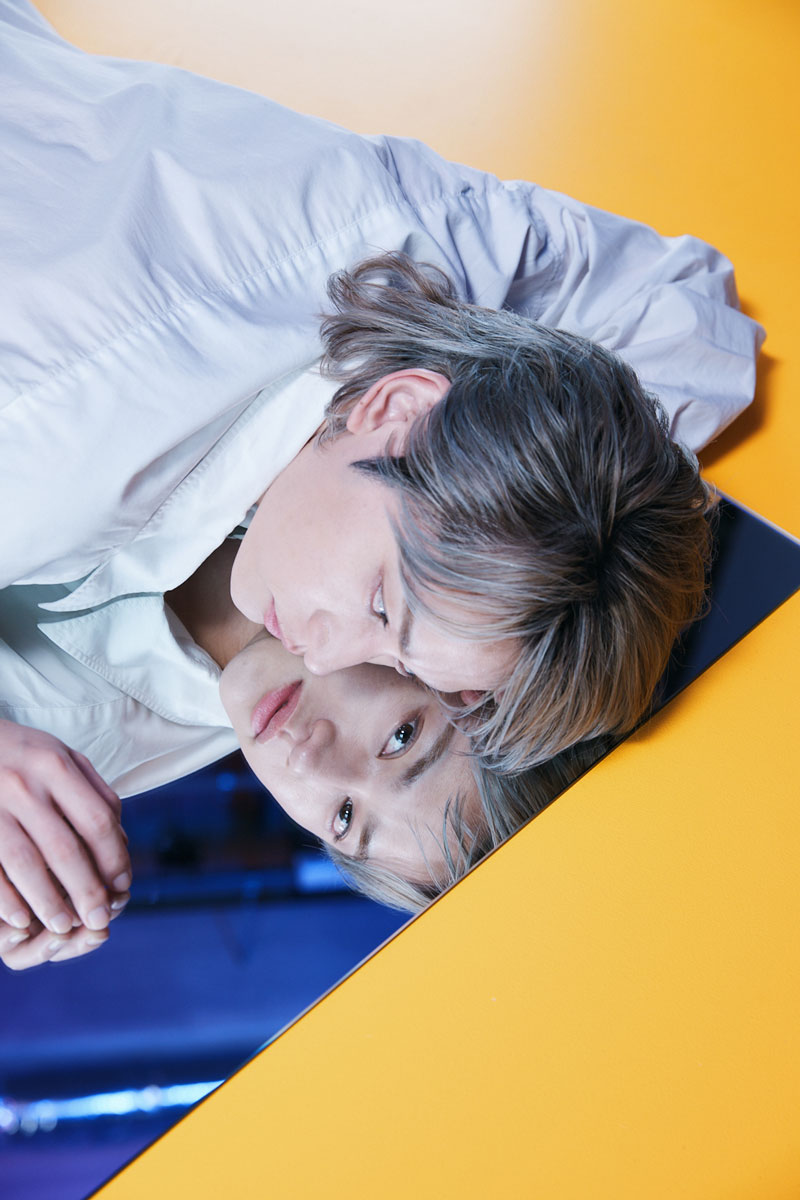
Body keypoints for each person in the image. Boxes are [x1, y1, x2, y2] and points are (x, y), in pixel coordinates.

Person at [0, 2, 764, 938]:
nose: (331, 657)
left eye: (343, 822)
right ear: (395, 410)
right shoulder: (76, 395)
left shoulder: (217, 678)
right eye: (402, 732)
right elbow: (685, 320)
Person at [0, 537, 597, 969]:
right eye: (400, 739)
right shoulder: (330, 437)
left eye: (345, 817)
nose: (313, 763)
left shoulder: (67, 759)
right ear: (451, 657)